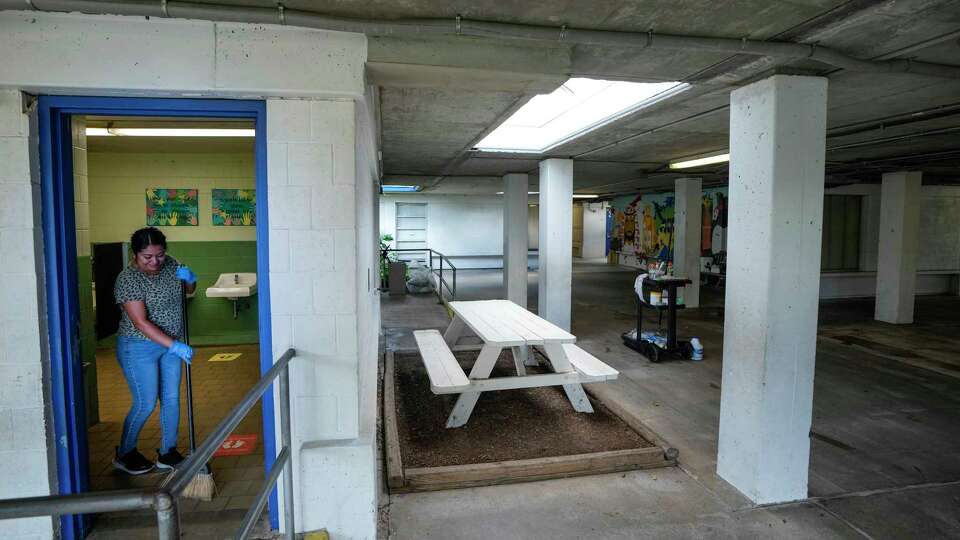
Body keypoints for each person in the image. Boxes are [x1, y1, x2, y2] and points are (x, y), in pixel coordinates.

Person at [111, 227, 197, 475]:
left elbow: (188, 292)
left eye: (159, 254)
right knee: (146, 403)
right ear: (135, 254)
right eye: (147, 257)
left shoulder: (171, 264)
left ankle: (168, 452)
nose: (155, 261)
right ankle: (125, 453)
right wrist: (174, 345)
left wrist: (191, 279)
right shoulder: (127, 280)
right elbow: (140, 322)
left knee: (171, 399)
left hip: (170, 344)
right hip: (139, 346)